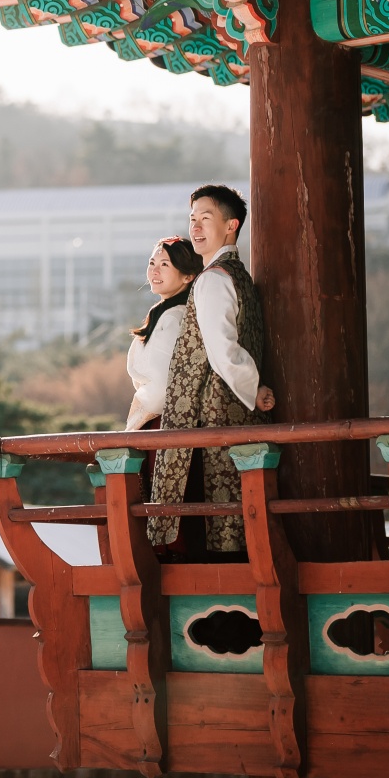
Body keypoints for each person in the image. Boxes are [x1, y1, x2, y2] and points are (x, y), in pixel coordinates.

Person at [148, 184, 274, 558]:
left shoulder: (214, 280)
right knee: (236, 518)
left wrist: (255, 389)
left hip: (213, 419)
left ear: (231, 225)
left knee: (216, 529)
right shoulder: (239, 276)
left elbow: (223, 352)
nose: (196, 228)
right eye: (193, 219)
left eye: (206, 219)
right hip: (236, 418)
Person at [123, 237, 205, 431]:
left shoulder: (174, 318)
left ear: (188, 276)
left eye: (165, 264)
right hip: (159, 418)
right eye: (152, 263)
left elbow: (163, 385)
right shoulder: (165, 313)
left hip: (161, 421)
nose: (154, 271)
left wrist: (138, 418)